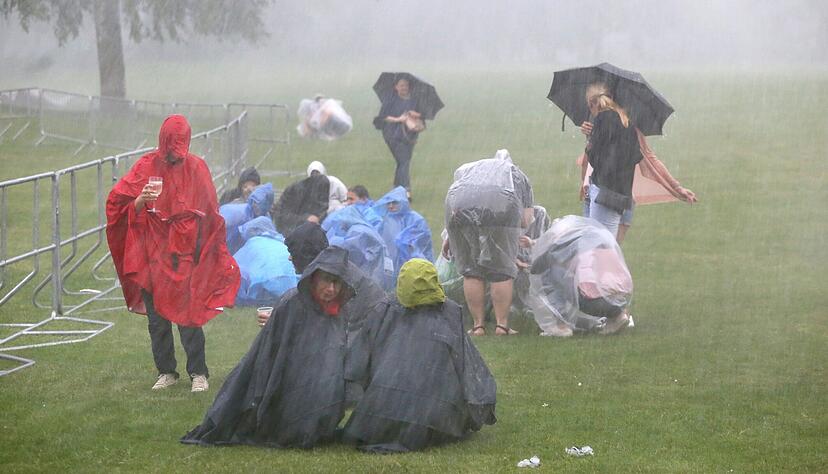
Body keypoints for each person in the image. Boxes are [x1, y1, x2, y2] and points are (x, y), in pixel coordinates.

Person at [181, 247, 389, 448]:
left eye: (337, 283)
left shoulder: (338, 309)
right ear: (314, 278)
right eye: (327, 281)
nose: (331, 289)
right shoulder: (293, 304)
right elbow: (270, 355)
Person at [105, 114, 240, 392]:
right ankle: (166, 371)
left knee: (188, 315)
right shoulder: (146, 166)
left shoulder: (197, 168)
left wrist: (206, 250)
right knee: (157, 319)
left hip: (184, 254)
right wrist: (142, 200)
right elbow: (120, 205)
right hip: (152, 255)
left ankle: (198, 372)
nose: (172, 160)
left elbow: (211, 214)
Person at [342, 258, 496, 453]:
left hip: (380, 416)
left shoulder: (384, 309)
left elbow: (358, 365)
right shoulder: (448, 312)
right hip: (436, 424)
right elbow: (468, 368)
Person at [578, 84, 697, 243]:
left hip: (605, 194)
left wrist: (591, 142)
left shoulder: (614, 123)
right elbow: (646, 159)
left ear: (592, 104)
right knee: (600, 252)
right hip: (609, 193)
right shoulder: (622, 123)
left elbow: (596, 159)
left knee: (600, 252)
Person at [443, 149, 534, 336]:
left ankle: (478, 326)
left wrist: (449, 237)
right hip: (501, 205)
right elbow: (525, 219)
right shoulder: (517, 175)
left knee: (471, 270)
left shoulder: (471, 169)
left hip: (458, 203)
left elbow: (457, 203)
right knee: (501, 270)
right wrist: (508, 238)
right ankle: (501, 326)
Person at [526, 215, 633, 336]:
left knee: (548, 272)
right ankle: (619, 315)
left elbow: (537, 267)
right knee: (579, 277)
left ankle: (561, 325)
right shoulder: (597, 240)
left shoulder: (562, 246)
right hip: (620, 298)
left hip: (590, 302)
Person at [372, 186, 433, 286]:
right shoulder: (386, 220)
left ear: (403, 202)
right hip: (391, 269)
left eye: (395, 202)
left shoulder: (416, 220)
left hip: (413, 267)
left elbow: (421, 245)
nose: (391, 206)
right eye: (388, 203)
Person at [232, 216, 297, 306]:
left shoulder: (252, 243)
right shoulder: (280, 241)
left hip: (266, 285)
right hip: (295, 282)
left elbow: (232, 264)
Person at [373, 77, 421, 196]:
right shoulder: (390, 100)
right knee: (404, 161)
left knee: (402, 161)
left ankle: (396, 187)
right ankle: (406, 189)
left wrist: (414, 114)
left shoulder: (414, 100)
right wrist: (399, 119)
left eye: (405, 85)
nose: (404, 88)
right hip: (392, 135)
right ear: (396, 87)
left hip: (409, 136)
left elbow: (421, 115)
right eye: (401, 85)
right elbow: (383, 116)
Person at [271, 169, 329, 236]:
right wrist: (306, 219)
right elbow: (281, 216)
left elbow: (322, 210)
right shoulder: (295, 193)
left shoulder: (317, 193)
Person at [220, 183, 274, 255]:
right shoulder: (241, 214)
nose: (255, 206)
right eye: (254, 202)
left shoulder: (263, 219)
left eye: (259, 204)